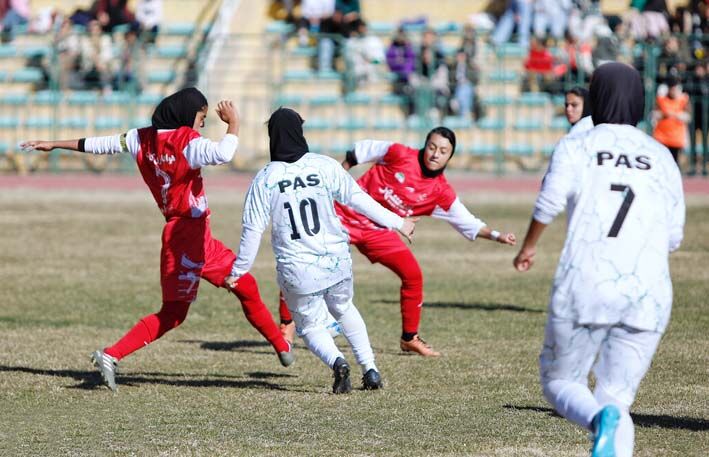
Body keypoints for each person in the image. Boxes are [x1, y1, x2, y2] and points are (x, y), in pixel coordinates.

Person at [21, 88, 293, 391]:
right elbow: (224, 153)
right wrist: (233, 123)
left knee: (245, 284)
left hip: (196, 234)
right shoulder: (185, 142)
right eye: (201, 116)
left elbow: (100, 144)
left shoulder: (141, 137)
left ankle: (282, 344)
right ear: (188, 113)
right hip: (185, 236)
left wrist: (55, 144)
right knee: (174, 314)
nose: (201, 123)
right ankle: (111, 355)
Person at [513, 62, 685, 457]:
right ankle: (609, 429)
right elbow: (674, 238)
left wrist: (528, 246)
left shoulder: (578, 143)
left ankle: (596, 422)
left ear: (596, 98)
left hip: (586, 281)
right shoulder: (661, 155)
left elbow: (549, 202)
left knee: (561, 383)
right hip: (649, 291)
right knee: (616, 397)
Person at [225, 107, 416, 393]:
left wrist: (238, 271)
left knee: (311, 326)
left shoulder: (265, 178)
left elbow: (252, 230)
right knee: (344, 307)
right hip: (336, 261)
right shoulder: (324, 166)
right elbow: (358, 199)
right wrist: (398, 222)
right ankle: (371, 368)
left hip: (297, 269)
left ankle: (338, 362)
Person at [280, 127, 517, 357]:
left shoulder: (440, 191)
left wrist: (497, 236)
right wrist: (342, 173)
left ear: (450, 157)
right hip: (342, 217)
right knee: (305, 261)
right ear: (425, 146)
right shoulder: (399, 154)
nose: (435, 154)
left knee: (413, 275)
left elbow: (468, 222)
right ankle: (287, 324)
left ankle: (409, 338)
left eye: (443, 151)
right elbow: (360, 150)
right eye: (432, 147)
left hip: (377, 231)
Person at [652, 75, 691, 164]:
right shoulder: (661, 99)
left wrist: (676, 115)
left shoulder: (683, 99)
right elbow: (654, 114)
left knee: (674, 164)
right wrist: (664, 114)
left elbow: (688, 116)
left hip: (676, 139)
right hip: (662, 138)